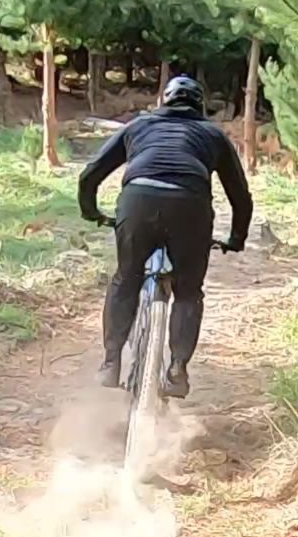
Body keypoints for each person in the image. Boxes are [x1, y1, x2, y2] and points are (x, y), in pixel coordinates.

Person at [77, 74, 253, 398]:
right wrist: (236, 239)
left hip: (138, 202)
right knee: (188, 292)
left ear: (164, 101)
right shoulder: (213, 134)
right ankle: (177, 369)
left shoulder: (139, 125)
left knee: (126, 277)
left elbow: (91, 174)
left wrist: (91, 211)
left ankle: (111, 361)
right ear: (199, 106)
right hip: (190, 207)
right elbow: (240, 196)